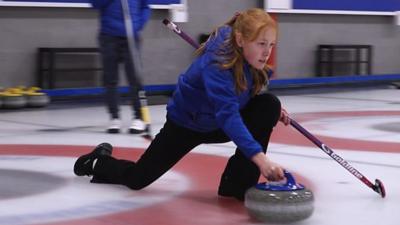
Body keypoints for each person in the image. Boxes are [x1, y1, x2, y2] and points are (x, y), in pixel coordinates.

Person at [74, 8, 290, 201]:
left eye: (271, 45)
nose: (267, 51)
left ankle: (237, 186)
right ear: (241, 39)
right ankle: (97, 162)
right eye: (261, 44)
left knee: (268, 104)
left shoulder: (251, 59)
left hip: (215, 123)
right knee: (137, 179)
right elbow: (228, 115)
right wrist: (262, 161)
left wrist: (268, 109)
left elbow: (240, 96)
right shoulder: (218, 66)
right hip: (187, 125)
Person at [90, 0, 151, 133]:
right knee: (110, 78)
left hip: (131, 36)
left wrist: (138, 26)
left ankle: (139, 117)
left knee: (135, 77)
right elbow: (95, 4)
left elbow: (145, 7)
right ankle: (114, 118)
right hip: (108, 36)